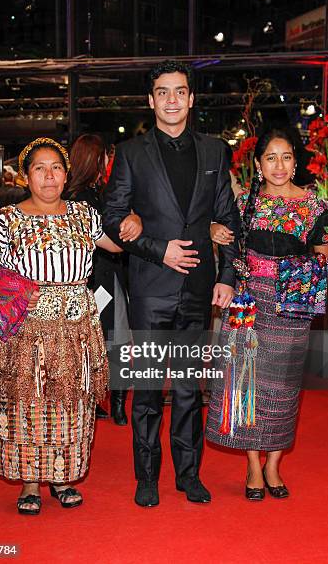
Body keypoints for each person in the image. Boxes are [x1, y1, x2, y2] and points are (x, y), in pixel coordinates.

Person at [103, 59, 240, 507]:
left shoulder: (216, 150)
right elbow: (113, 217)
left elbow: (228, 218)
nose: (172, 100)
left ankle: (188, 474)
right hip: (149, 287)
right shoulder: (130, 153)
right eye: (163, 92)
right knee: (147, 390)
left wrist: (226, 277)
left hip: (199, 290)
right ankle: (146, 476)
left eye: (180, 91)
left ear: (191, 98)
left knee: (187, 389)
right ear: (151, 99)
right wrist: (158, 248)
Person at [0, 137, 130, 515]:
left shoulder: (84, 215)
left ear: (66, 173)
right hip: (27, 331)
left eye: (56, 168)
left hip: (77, 329)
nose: (49, 176)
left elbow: (119, 245)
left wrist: (134, 217)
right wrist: (19, 292)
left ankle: (62, 477)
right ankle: (29, 483)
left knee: (71, 403)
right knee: (29, 402)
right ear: (26, 176)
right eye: (39, 168)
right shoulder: (6, 218)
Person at [206, 127, 328, 501]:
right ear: (259, 165)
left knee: (283, 390)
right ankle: (251, 465)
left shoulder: (313, 207)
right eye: (271, 157)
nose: (279, 165)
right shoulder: (245, 203)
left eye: (286, 157)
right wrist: (214, 230)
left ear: (295, 163)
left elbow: (326, 260)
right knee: (247, 385)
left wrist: (291, 274)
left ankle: (273, 465)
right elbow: (226, 247)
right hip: (249, 306)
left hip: (291, 308)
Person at [66, 133, 142, 425]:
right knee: (116, 340)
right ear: (96, 160)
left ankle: (99, 400)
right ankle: (115, 403)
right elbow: (114, 240)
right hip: (102, 279)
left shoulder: (74, 196)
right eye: (106, 157)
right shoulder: (93, 197)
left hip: (88, 281)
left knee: (93, 342)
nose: (110, 162)